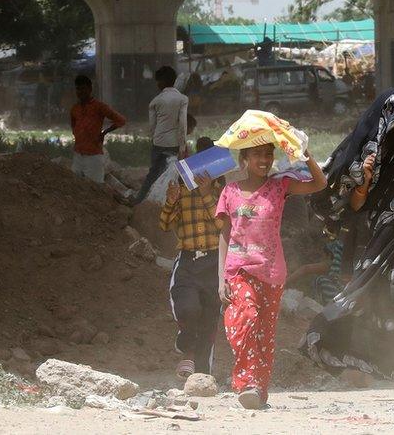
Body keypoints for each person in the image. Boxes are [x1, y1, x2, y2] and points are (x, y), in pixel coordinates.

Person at [303, 89, 394, 407]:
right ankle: (371, 365)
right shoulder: (367, 156)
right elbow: (357, 205)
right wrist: (366, 180)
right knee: (372, 304)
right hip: (380, 240)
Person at [216, 143, 326, 410]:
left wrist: (306, 154)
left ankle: (258, 389)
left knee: (265, 334)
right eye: (256, 155)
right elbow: (223, 234)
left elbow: (319, 183)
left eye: (268, 154)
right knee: (246, 319)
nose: (263, 160)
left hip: (272, 272)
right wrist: (221, 278)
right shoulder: (230, 191)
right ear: (244, 159)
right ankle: (246, 382)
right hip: (239, 270)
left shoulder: (281, 186)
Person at [159, 136, 223, 380]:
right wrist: (170, 202)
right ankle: (186, 349)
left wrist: (207, 194)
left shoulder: (221, 193)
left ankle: (202, 376)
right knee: (187, 307)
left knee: (209, 320)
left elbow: (221, 225)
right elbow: (164, 225)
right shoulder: (182, 193)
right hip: (187, 260)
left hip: (214, 262)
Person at [135, 66, 188, 203]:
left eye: (158, 81)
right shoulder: (182, 99)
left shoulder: (155, 101)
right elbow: (182, 124)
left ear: (161, 82)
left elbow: (152, 127)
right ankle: (170, 203)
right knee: (173, 175)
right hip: (174, 144)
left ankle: (140, 200)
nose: (157, 84)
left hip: (158, 143)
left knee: (153, 174)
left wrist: (155, 140)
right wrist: (182, 146)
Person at [69, 75, 126, 184]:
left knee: (96, 189)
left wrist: (105, 132)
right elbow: (74, 127)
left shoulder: (99, 107)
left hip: (93, 156)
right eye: (78, 89)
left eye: (83, 89)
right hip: (78, 155)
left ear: (90, 89)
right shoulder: (74, 109)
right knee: (75, 188)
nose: (80, 92)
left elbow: (121, 120)